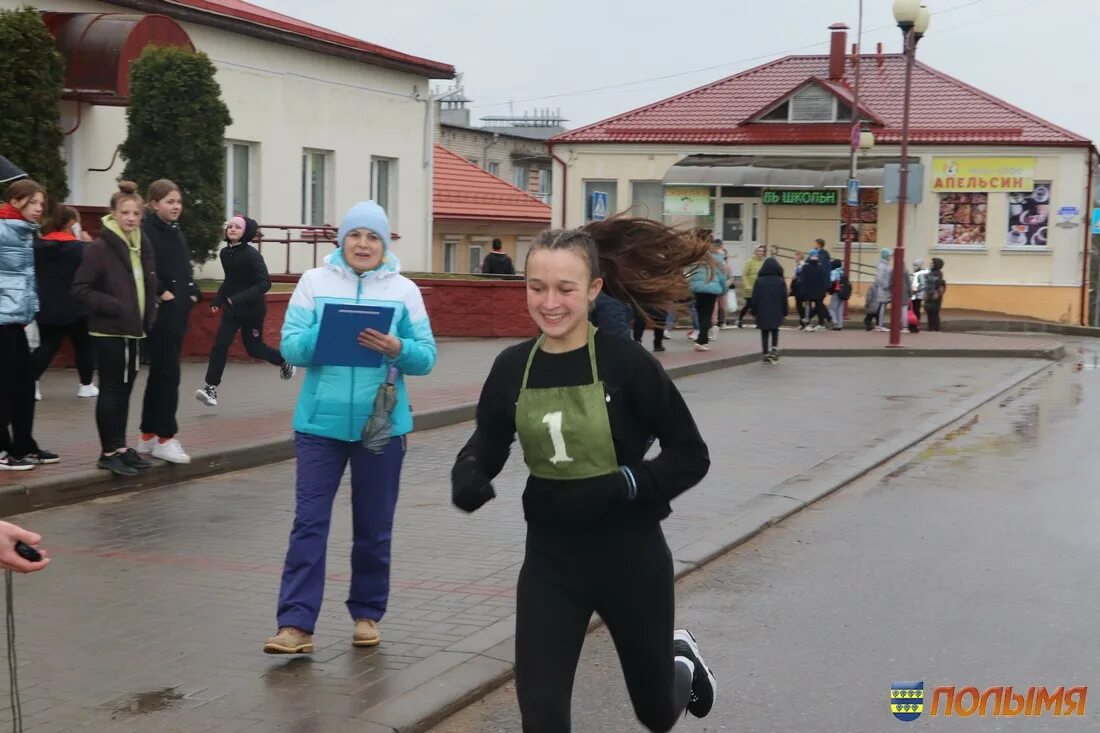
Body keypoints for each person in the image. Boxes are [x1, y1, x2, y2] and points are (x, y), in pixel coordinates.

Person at [451, 219, 717, 732]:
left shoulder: (628, 364)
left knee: (657, 714)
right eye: (537, 287)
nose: (550, 302)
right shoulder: (513, 367)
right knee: (542, 717)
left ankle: (680, 660)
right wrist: (469, 472)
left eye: (565, 289)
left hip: (631, 561)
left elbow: (691, 453)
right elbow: (489, 438)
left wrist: (626, 483)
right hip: (551, 564)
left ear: (593, 290)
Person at [264, 201, 436, 655]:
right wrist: (323, 336)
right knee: (309, 523)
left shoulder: (405, 291)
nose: (363, 244)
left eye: (373, 237)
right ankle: (295, 625)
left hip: (380, 425)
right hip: (319, 424)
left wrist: (397, 346)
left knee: (373, 525)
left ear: (385, 244)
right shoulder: (313, 282)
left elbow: (426, 357)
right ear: (342, 240)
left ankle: (366, 614)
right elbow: (289, 347)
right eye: (355, 235)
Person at [72, 182, 159, 477]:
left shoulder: (140, 243)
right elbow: (81, 289)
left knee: (124, 392)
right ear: (113, 213)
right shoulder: (99, 248)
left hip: (134, 331)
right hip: (110, 332)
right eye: (125, 212)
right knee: (111, 391)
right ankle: (108, 452)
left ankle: (120, 447)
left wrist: (149, 313)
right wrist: (113, 305)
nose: (131, 218)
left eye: (136, 213)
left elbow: (145, 284)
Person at [196, 216, 294, 407]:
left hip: (252, 310)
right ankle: (211, 388)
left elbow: (265, 283)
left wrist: (237, 298)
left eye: (237, 227)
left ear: (246, 232)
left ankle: (284, 361)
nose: (232, 229)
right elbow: (230, 280)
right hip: (232, 310)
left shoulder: (251, 255)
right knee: (220, 345)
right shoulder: (225, 253)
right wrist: (218, 300)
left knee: (254, 349)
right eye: (230, 226)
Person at [138, 179, 199, 465]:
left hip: (177, 313)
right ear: (153, 204)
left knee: (160, 375)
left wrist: (193, 290)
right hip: (162, 315)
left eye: (178, 202)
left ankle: (148, 435)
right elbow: (146, 267)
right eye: (169, 201)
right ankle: (166, 437)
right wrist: (164, 291)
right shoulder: (148, 231)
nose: (176, 206)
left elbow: (182, 266)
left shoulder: (174, 231)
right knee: (167, 376)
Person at [1, 178, 59, 470]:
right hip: (2, 321)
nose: (39, 209)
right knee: (7, 388)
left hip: (16, 320)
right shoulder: (1, 230)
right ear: (15, 201)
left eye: (41, 204)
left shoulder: (24, 232)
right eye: (33, 202)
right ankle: (4, 451)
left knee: (24, 386)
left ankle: (23, 446)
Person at [31, 205, 97, 399]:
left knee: (47, 346)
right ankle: (86, 385)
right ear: (71, 223)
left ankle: (31, 382)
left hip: (48, 305)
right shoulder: (81, 248)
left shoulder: (37, 246)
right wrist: (87, 243)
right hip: (77, 305)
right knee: (83, 346)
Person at [688, 239, 727, 352]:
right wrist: (723, 290)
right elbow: (722, 277)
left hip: (697, 290)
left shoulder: (697, 259)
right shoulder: (718, 259)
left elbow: (690, 274)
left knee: (700, 315)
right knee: (706, 315)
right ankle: (702, 342)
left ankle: (700, 339)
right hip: (711, 290)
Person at [750, 257, 788, 365]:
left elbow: (755, 297)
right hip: (777, 310)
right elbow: (784, 297)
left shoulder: (759, 280)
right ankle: (774, 350)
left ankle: (765, 354)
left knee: (764, 332)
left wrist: (753, 310)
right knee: (775, 330)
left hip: (762, 310)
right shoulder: (780, 281)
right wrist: (785, 311)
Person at [796, 250, 830, 330]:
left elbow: (821, 279)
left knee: (817, 306)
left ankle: (814, 322)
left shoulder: (816, 267)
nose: (815, 257)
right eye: (814, 256)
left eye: (816, 256)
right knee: (811, 306)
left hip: (815, 291)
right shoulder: (810, 267)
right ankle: (808, 322)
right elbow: (804, 280)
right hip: (812, 291)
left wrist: (823, 290)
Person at [736, 244, 765, 328]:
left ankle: (758, 322)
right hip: (750, 288)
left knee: (758, 305)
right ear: (755, 251)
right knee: (749, 305)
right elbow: (744, 275)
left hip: (760, 288)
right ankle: (740, 320)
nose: (761, 253)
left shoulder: (764, 262)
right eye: (759, 251)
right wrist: (747, 285)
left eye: (762, 251)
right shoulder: (749, 261)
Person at [923, 258, 947, 331]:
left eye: (932, 263)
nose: (930, 264)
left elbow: (938, 283)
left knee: (934, 312)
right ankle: (930, 327)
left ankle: (936, 328)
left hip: (935, 295)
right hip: (929, 294)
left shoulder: (938, 273)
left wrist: (935, 292)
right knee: (929, 311)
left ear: (936, 264)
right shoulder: (930, 272)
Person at [873, 248, 893, 332]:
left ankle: (880, 324)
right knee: (882, 307)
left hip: (884, 289)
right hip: (883, 289)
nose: (891, 257)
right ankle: (880, 325)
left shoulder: (884, 265)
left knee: (882, 307)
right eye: (890, 255)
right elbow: (879, 278)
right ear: (886, 256)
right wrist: (886, 285)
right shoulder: (882, 266)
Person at [827, 258, 847, 330]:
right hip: (842, 293)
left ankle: (834, 322)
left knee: (831, 308)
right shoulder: (842, 272)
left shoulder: (834, 272)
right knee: (839, 309)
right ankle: (840, 325)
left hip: (836, 292)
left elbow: (831, 281)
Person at [910, 259, 928, 333]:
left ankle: (916, 325)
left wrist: (915, 290)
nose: (914, 267)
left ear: (920, 266)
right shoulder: (916, 273)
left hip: (918, 296)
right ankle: (913, 324)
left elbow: (923, 285)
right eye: (914, 265)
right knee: (914, 310)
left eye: (916, 265)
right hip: (915, 295)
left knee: (916, 310)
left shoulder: (920, 274)